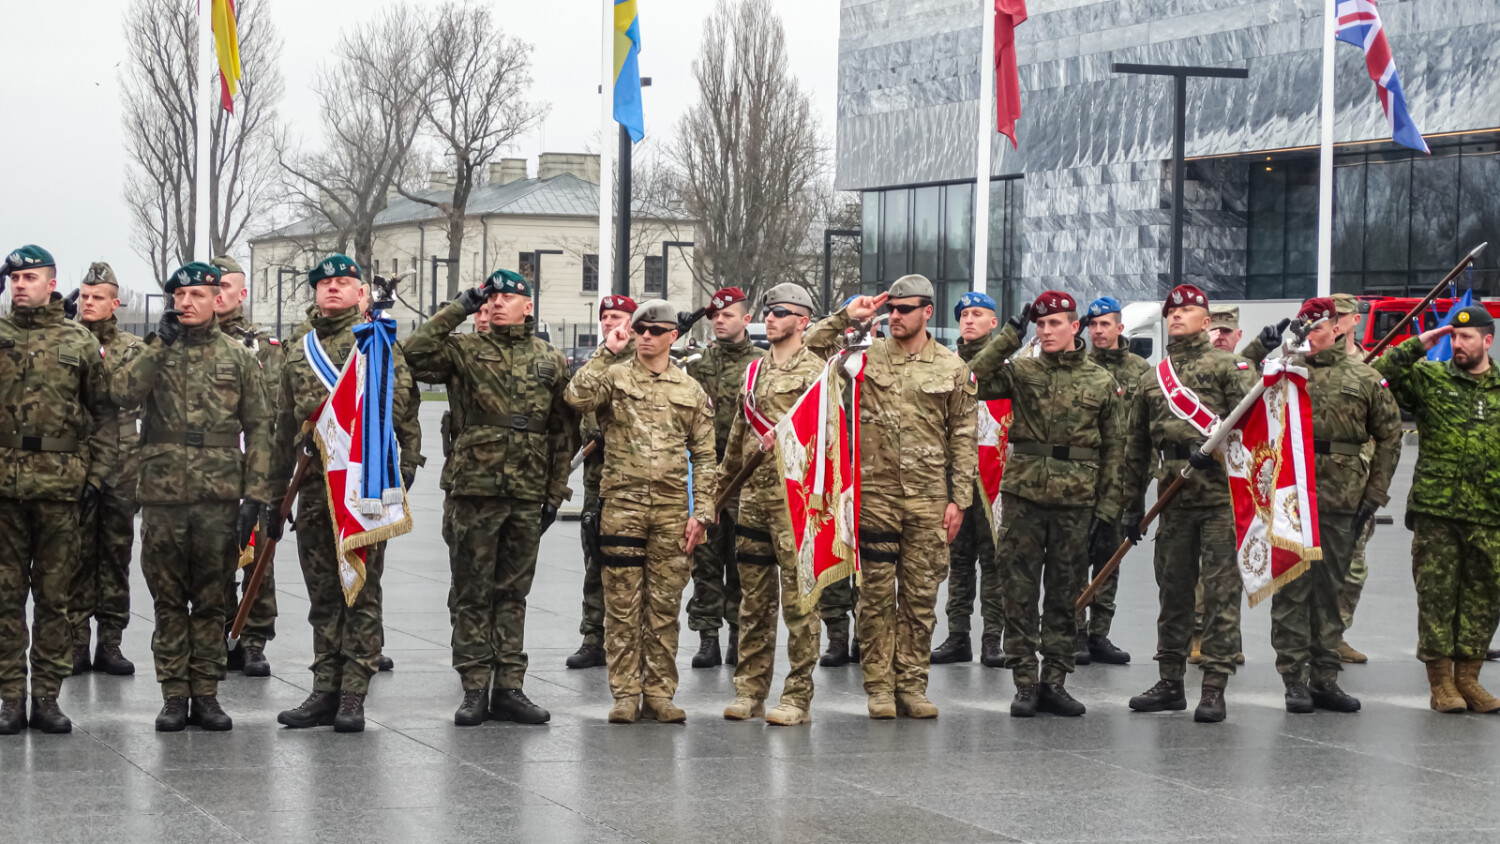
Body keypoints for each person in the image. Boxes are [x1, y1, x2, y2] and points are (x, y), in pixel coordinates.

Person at [402, 269, 573, 727]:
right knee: (473, 592)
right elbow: (412, 354)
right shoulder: (464, 350)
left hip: (526, 490)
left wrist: (556, 492)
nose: (496, 303)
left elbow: (562, 432)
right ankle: (475, 685)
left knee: (513, 592)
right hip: (474, 489)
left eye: (507, 296)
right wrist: (461, 304)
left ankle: (510, 686)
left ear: (528, 305)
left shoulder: (551, 359)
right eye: (490, 298)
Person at [806, 274, 976, 719]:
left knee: (921, 599)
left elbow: (962, 436)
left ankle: (912, 685)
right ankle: (879, 688)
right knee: (876, 599)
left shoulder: (952, 368)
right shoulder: (864, 359)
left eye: (905, 309)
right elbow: (809, 347)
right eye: (892, 309)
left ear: (928, 312)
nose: (895, 316)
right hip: (875, 497)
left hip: (928, 501)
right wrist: (850, 316)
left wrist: (959, 499)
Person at [112, 262, 272, 731]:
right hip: (163, 495)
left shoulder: (238, 357)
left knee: (210, 600)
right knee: (167, 600)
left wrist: (256, 495)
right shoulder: (154, 350)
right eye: (179, 296)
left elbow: (261, 427)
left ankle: (206, 692)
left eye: (197, 295)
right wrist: (157, 343)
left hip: (219, 496)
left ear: (214, 298)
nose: (187, 303)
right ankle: (173, 695)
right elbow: (122, 393)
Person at [272, 255, 423, 733]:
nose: (332, 289)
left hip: (360, 486)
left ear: (360, 292)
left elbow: (400, 410)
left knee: (360, 591)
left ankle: (354, 692)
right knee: (322, 592)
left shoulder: (376, 342)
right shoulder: (299, 349)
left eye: (343, 282)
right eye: (324, 284)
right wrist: (272, 495)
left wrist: (398, 475)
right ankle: (324, 688)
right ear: (315, 293)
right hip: (313, 487)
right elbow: (280, 422)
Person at [968, 290, 1124, 717]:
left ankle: (1055, 679)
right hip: (1024, 498)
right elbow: (971, 380)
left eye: (1055, 323)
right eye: (1040, 324)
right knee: (1018, 589)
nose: (1046, 330)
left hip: (1076, 501)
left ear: (1076, 327)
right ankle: (1024, 680)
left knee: (1064, 592)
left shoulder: (1100, 381)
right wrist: (1010, 334)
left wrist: (1108, 511)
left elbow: (1115, 449)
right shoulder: (1020, 370)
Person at [564, 299, 716, 724]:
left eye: (654, 330)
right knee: (623, 608)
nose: (645, 336)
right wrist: (607, 350)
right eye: (640, 329)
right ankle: (625, 694)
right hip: (622, 508)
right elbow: (575, 397)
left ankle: (660, 693)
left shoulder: (689, 390)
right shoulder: (614, 377)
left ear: (673, 336)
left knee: (664, 608)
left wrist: (701, 512)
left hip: (671, 513)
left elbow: (705, 456)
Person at [1123, 284, 1255, 723]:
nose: (1177, 315)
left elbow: (1252, 432)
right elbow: (1136, 448)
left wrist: (1215, 450)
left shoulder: (1229, 367)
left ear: (1206, 317)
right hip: (1172, 496)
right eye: (1172, 310)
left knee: (1219, 594)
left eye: (1188, 309)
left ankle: (1215, 685)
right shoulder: (1151, 377)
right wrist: (1130, 508)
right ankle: (1170, 681)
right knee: (1173, 591)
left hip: (1220, 497)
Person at [0, 245, 117, 735]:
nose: (20, 285)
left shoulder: (79, 342)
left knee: (54, 598)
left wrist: (96, 478)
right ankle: (10, 698)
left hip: (61, 488)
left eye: (30, 277)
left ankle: (46, 696)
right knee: (6, 598)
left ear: (52, 283)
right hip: (4, 486)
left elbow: (105, 414)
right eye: (14, 278)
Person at [1265, 297, 1400, 714]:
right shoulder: (1285, 372)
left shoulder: (1363, 377)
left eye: (1315, 325)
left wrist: (1375, 495)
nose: (1307, 332)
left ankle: (1325, 677)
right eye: (1302, 325)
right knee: (1291, 589)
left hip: (1342, 498)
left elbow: (1391, 436)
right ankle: (1294, 679)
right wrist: (1262, 348)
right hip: (1290, 498)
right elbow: (1246, 407)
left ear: (1336, 328)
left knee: (1330, 590)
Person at [1374, 305, 1500, 713]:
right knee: (1437, 597)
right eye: (1453, 337)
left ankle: (1469, 679)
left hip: (1491, 513)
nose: (1457, 344)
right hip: (1437, 510)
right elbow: (1378, 375)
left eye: (1466, 337)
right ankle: (1442, 683)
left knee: (1484, 599)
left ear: (1488, 341)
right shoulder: (1432, 377)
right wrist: (1416, 345)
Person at [717, 283, 827, 725]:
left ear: (802, 321)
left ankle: (797, 696)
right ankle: (750, 691)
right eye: (768, 311)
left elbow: (829, 441)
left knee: (801, 604)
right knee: (753, 603)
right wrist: (717, 495)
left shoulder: (819, 373)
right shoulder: (753, 372)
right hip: (754, 502)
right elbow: (736, 442)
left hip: (797, 505)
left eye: (781, 312)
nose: (771, 318)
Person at [68, 262, 143, 677]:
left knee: (116, 553)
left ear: (116, 302)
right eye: (84, 296)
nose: (89, 303)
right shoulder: (66, 340)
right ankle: (76, 639)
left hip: (121, 462)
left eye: (98, 297)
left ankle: (110, 641)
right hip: (77, 460)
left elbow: (121, 395)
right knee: (77, 554)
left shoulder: (131, 347)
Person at [210, 255, 283, 677]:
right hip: (213, 467)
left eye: (226, 287)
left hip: (255, 465)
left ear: (242, 294)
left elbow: (275, 408)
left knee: (259, 559)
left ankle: (254, 639)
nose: (218, 294)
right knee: (216, 553)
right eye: (211, 286)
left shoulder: (266, 348)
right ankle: (222, 632)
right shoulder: (185, 341)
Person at [685, 287, 764, 668]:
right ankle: (707, 637)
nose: (719, 320)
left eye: (728, 315)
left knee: (744, 557)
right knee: (706, 557)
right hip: (709, 470)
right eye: (714, 315)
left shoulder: (762, 364)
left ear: (746, 320)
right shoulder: (698, 364)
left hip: (749, 475)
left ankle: (737, 633)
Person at [931, 291, 1006, 668]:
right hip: (953, 477)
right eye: (963, 315)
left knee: (994, 561)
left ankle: (992, 638)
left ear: (994, 321)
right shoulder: (943, 363)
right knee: (958, 561)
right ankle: (957, 635)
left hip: (995, 476)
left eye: (978, 314)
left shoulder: (1007, 365)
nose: (969, 320)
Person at [1076, 296, 1149, 666]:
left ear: (1121, 328)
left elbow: (1147, 429)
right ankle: (1074, 629)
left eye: (1105, 324)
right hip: (1082, 477)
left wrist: (1141, 478)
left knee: (1110, 557)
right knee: (1074, 556)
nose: (1098, 331)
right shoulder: (1080, 365)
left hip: (1121, 480)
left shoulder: (1141, 370)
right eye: (1093, 325)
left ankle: (1099, 634)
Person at [566, 295, 636, 670]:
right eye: (606, 317)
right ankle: (593, 637)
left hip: (636, 482)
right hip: (598, 481)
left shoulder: (645, 363)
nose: (611, 323)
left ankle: (628, 639)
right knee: (595, 558)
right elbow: (576, 403)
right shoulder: (596, 364)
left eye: (619, 317)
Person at [1330, 292, 1376, 663]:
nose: (1336, 320)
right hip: (1318, 482)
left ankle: (1337, 633)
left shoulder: (1370, 366)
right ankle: (1312, 642)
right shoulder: (1307, 361)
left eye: (1342, 315)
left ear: (1354, 320)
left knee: (1354, 566)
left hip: (1359, 478)